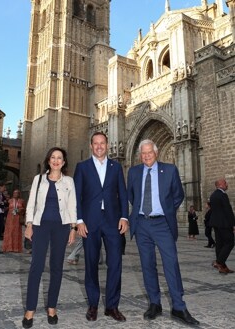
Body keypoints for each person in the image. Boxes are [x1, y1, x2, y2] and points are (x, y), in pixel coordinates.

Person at [127, 139, 199, 326]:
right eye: (143, 153)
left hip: (162, 224)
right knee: (147, 265)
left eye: (149, 152)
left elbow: (178, 195)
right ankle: (154, 303)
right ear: (140, 155)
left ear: (156, 153)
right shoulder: (134, 172)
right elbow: (131, 196)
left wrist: (166, 210)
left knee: (171, 263)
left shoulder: (169, 170)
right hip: (142, 224)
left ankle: (179, 306)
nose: (146, 156)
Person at [74, 132, 128, 322]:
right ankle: (93, 305)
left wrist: (124, 217)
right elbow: (77, 196)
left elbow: (122, 192)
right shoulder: (82, 167)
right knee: (90, 264)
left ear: (107, 145)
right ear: (91, 146)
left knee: (115, 264)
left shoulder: (116, 167)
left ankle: (112, 306)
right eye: (95, 143)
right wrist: (79, 221)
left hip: (113, 222)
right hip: (90, 223)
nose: (99, 146)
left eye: (102, 143)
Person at [22, 147, 77, 328]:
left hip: (61, 227)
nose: (55, 160)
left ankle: (52, 307)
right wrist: (29, 225)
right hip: (40, 226)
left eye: (59, 158)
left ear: (63, 162)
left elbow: (72, 206)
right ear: (48, 160)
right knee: (36, 266)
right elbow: (31, 205)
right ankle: (30, 309)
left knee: (56, 268)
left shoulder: (69, 181)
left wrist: (73, 228)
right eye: (53, 157)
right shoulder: (39, 179)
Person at [209, 178, 235, 274]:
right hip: (224, 223)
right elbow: (228, 210)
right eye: (225, 183)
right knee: (230, 242)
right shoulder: (223, 195)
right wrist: (233, 224)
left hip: (215, 223)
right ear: (220, 185)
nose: (227, 184)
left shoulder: (213, 195)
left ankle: (223, 267)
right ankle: (219, 262)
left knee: (219, 244)